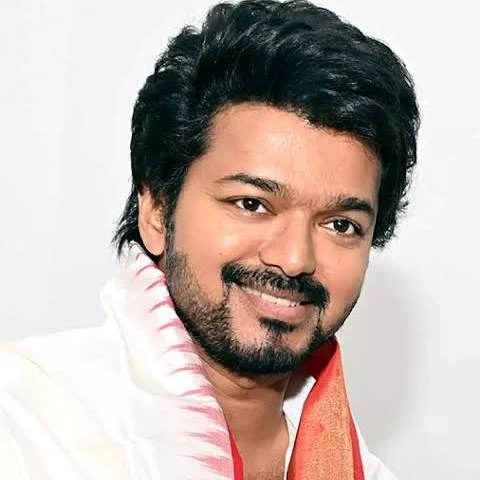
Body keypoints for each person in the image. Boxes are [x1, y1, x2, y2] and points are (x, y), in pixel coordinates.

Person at [0, 1, 419, 479]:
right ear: (157, 209)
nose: (294, 258)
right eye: (252, 203)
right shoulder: (25, 427)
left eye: (340, 225)